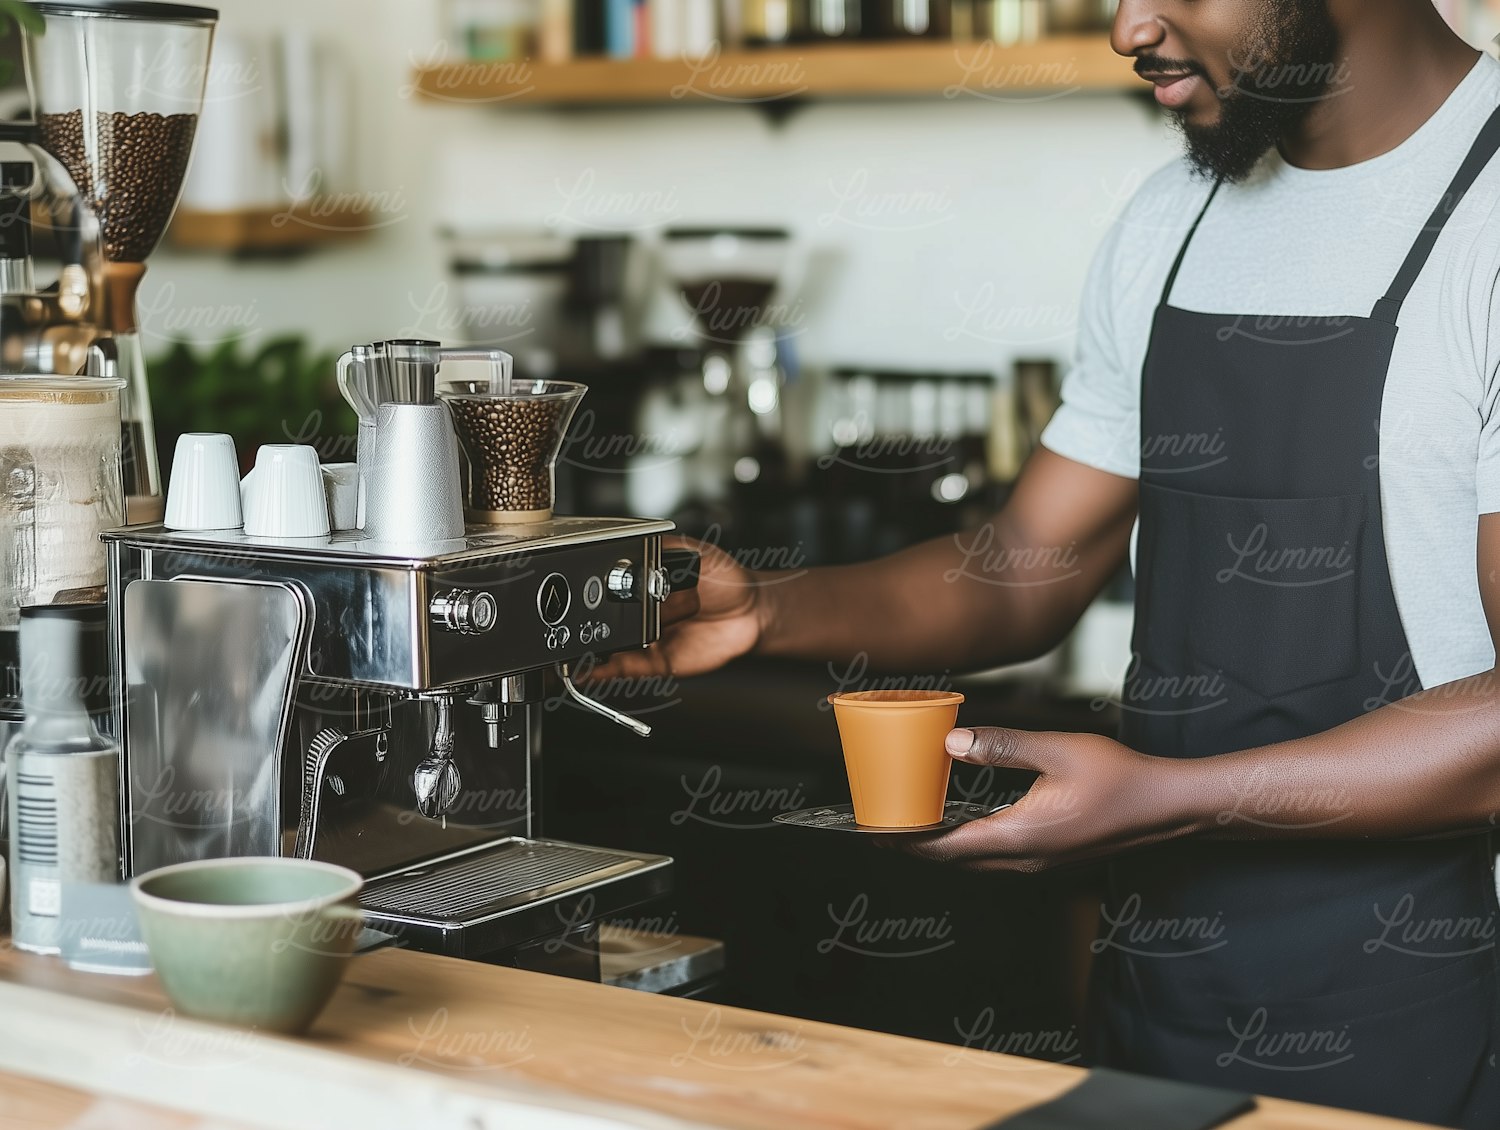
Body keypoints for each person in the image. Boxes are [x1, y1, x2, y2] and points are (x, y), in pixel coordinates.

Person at [599, 1, 1500, 1124]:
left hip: (1443, 999)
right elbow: (1027, 561)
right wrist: (766, 609)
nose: (1129, 26)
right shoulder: (1177, 214)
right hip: (1168, 983)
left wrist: (1169, 799)